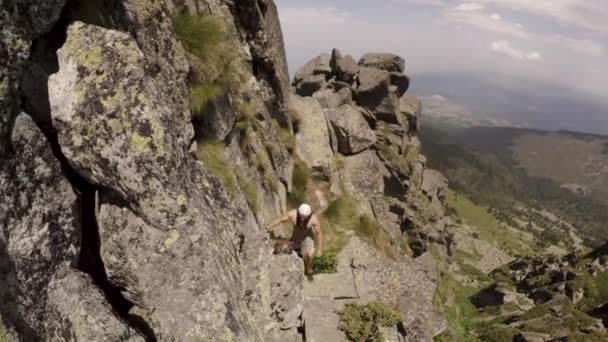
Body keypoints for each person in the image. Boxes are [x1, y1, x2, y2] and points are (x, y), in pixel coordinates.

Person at [266, 203, 323, 281]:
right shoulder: (292, 214)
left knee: (308, 255)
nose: (303, 219)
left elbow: (319, 234)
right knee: (285, 248)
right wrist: (270, 225)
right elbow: (280, 219)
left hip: (308, 238)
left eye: (305, 217)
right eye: (301, 217)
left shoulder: (313, 219)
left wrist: (319, 249)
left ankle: (309, 270)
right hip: (296, 236)